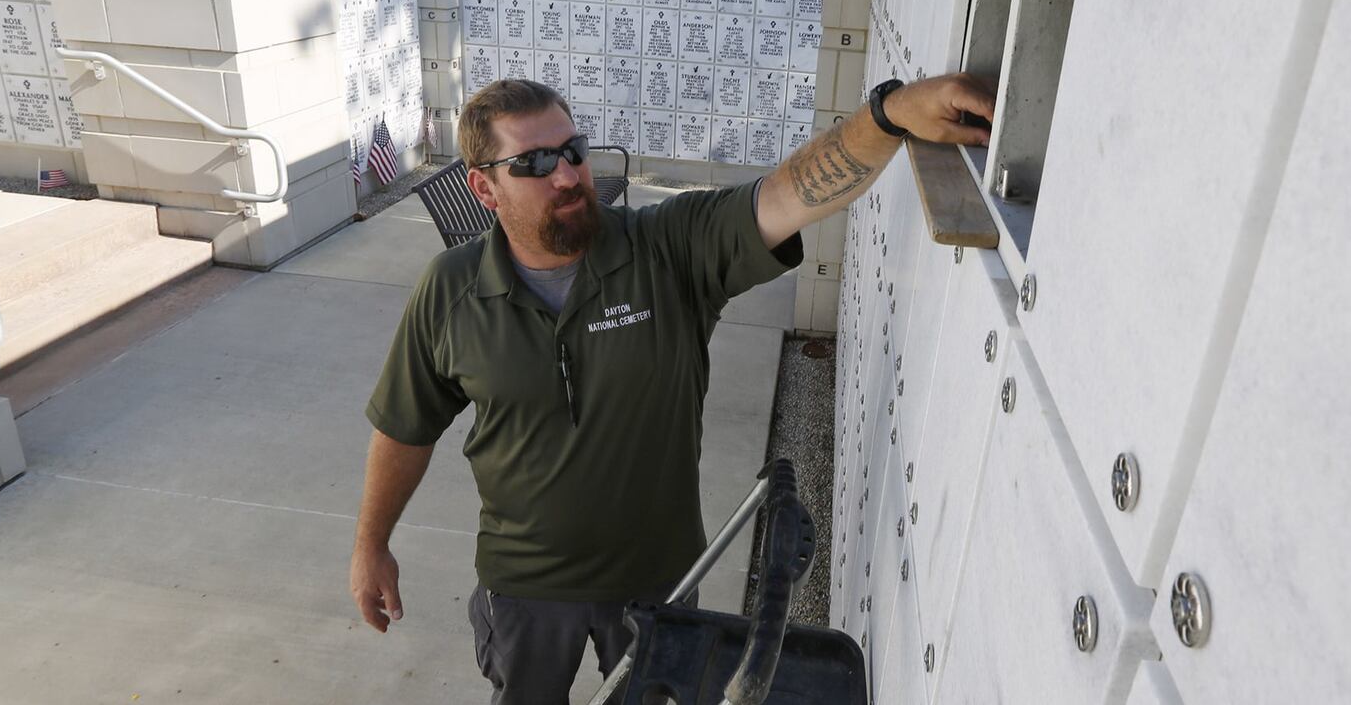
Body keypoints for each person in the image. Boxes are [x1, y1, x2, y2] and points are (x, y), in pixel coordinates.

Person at [350, 73, 994, 703]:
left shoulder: (667, 249)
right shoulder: (451, 289)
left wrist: (888, 115)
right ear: (484, 188)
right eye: (536, 162)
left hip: (658, 582)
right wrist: (371, 544)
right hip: (524, 587)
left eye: (572, 149)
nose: (569, 174)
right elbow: (407, 425)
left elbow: (789, 193)